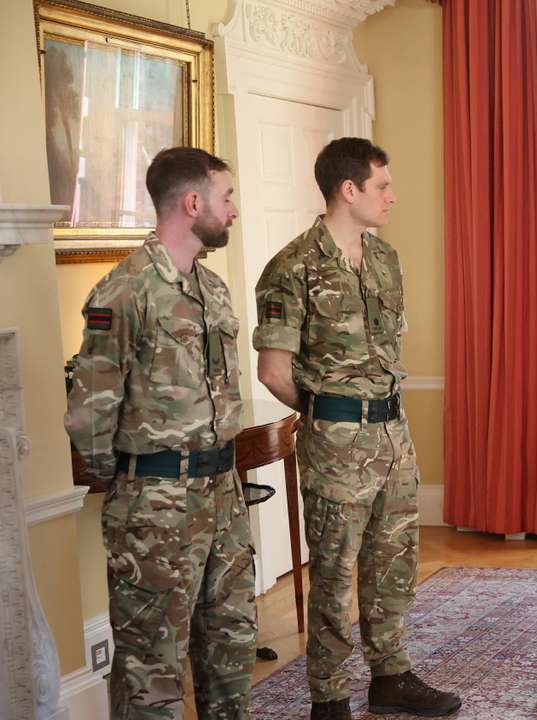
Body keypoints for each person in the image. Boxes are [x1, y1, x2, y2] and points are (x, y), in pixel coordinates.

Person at [254, 138, 461, 720]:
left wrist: (374, 415)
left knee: (393, 563)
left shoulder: (385, 259)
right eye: (383, 186)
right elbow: (273, 370)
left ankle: (390, 676)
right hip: (336, 445)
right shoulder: (291, 269)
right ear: (350, 190)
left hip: (394, 438)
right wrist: (332, 411)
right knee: (333, 572)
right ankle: (330, 698)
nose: (392, 197)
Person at [65, 146, 255, 719]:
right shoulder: (124, 291)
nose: (233, 211)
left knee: (232, 644)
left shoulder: (212, 289)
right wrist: (128, 485)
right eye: (226, 198)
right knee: (153, 666)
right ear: (193, 202)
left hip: (222, 492)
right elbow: (90, 411)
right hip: (155, 505)